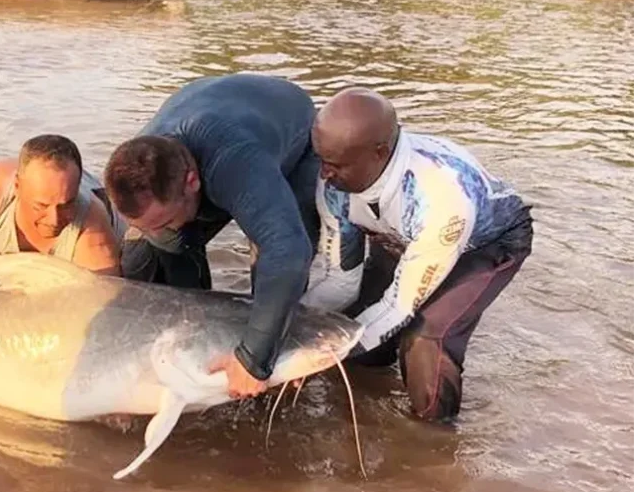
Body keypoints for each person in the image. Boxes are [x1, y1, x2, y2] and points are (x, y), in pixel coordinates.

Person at [301, 87, 534, 421]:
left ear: (379, 153)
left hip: (488, 244)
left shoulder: (440, 196)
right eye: (321, 160)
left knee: (425, 337)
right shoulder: (334, 183)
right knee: (361, 340)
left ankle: (434, 441)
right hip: (401, 237)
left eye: (335, 164)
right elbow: (340, 281)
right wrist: (289, 330)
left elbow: (400, 306)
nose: (323, 174)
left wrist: (313, 360)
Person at [103, 73, 321, 399]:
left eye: (162, 220)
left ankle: (273, 356)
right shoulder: (137, 163)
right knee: (144, 255)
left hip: (290, 131)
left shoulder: (233, 162)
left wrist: (255, 358)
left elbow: (288, 251)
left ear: (192, 182)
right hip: (208, 105)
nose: (157, 230)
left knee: (276, 258)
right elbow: (154, 231)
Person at [0, 134, 124, 288]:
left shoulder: (94, 233)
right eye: (41, 205)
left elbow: (100, 311)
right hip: (1, 232)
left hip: (73, 261)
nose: (54, 220)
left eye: (66, 205)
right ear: (17, 186)